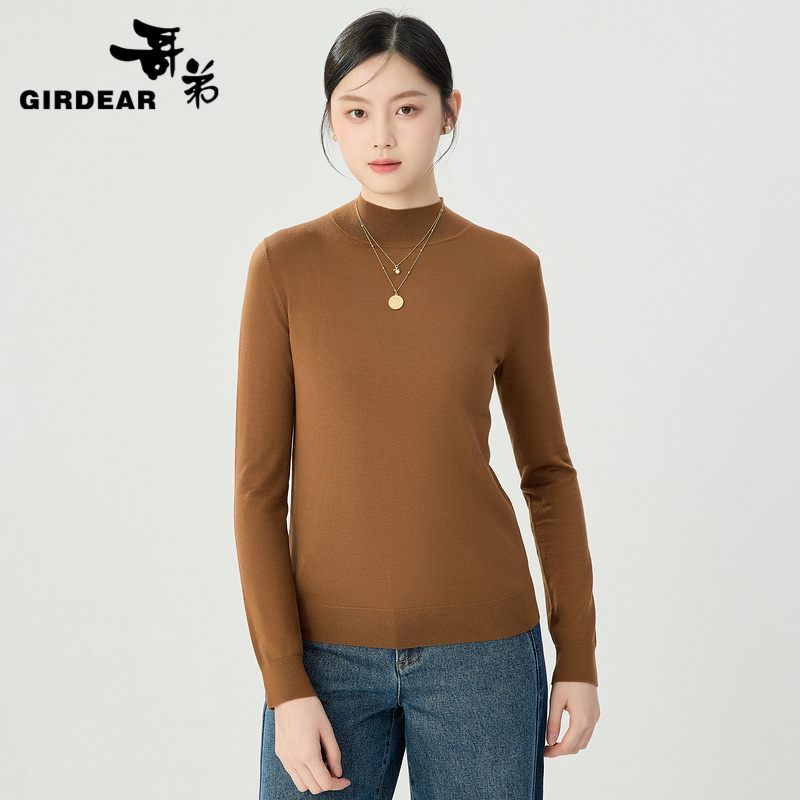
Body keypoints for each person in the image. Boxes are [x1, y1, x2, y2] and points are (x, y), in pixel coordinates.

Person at [233, 10, 600, 799]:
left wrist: (578, 656)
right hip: (325, 662)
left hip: (485, 659)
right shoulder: (284, 266)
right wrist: (285, 683)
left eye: (407, 107)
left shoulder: (507, 271)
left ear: (449, 112)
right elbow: (258, 494)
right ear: (331, 118)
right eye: (355, 112)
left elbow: (548, 475)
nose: (381, 136)